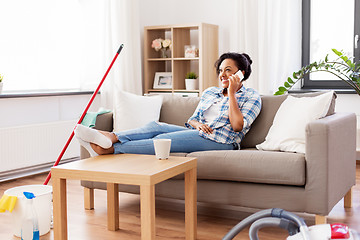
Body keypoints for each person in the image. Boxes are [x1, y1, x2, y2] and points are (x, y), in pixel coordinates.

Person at [75, 52, 262, 157]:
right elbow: (193, 120)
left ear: (241, 74)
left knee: (162, 140)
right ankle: (111, 136)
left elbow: (237, 127)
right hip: (200, 133)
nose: (222, 74)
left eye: (228, 70)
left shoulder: (251, 97)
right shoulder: (210, 92)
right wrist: (199, 125)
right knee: (156, 127)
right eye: (220, 70)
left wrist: (231, 94)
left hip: (222, 141)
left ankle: (108, 148)